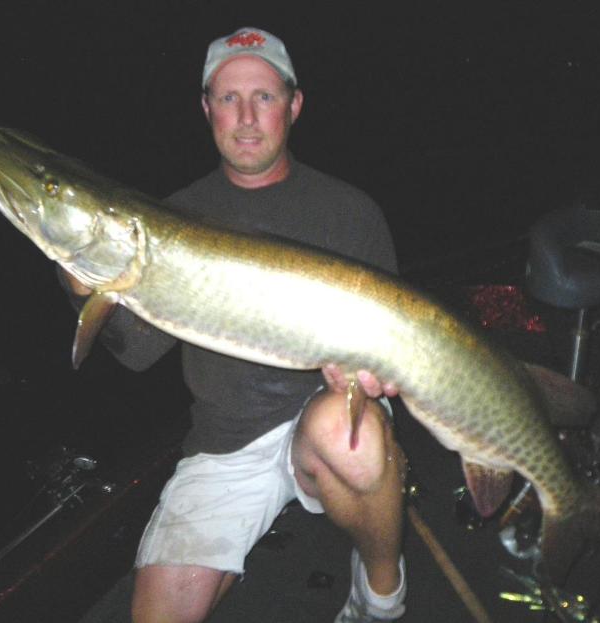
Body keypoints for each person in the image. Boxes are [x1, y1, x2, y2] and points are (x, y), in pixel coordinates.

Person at [61, 27, 407, 622]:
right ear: (207, 109)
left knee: (347, 435)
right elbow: (136, 352)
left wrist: (373, 371)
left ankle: (381, 592)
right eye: (229, 98)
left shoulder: (352, 211)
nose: (246, 118)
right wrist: (80, 285)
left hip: (332, 412)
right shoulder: (175, 216)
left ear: (293, 106)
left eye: (264, 97)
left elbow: (392, 346)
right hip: (226, 438)